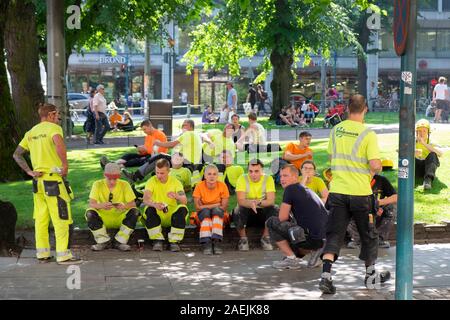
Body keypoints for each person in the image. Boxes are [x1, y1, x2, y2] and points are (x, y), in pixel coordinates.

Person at [319, 94, 391, 295]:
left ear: (347, 108)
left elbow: (332, 156)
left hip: (338, 192)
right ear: (365, 109)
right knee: (369, 235)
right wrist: (374, 169)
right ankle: (370, 276)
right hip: (360, 194)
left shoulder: (335, 130)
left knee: (334, 234)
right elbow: (375, 164)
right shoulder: (368, 134)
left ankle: (326, 276)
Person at [13, 103, 82, 265]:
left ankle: (42, 254)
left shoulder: (31, 133)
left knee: (41, 219)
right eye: (57, 114)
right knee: (61, 219)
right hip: (54, 182)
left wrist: (29, 172)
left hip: (38, 183)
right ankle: (63, 255)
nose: (58, 118)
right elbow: (59, 145)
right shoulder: (54, 129)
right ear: (50, 115)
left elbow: (17, 154)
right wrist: (65, 166)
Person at [267, 164, 328, 269]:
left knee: (271, 222)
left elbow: (282, 218)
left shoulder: (290, 189)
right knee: (295, 229)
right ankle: (315, 254)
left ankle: (291, 260)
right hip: (325, 238)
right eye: (280, 176)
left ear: (295, 177)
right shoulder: (306, 189)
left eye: (285, 176)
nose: (282, 179)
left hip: (312, 239)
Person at [85, 163, 140, 251]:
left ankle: (120, 241)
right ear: (104, 175)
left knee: (135, 211)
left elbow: (133, 204)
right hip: (103, 218)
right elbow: (91, 204)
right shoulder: (97, 184)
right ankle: (103, 241)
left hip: (120, 217)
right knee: (90, 213)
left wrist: (124, 206)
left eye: (115, 179)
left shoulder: (125, 184)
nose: (112, 182)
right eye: (109, 179)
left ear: (119, 176)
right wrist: (101, 205)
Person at [141, 159, 189, 252]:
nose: (159, 176)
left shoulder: (176, 182)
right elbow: (145, 199)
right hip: (156, 213)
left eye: (162, 173)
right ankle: (157, 240)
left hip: (171, 215)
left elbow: (184, 201)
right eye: (157, 172)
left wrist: (176, 196)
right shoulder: (151, 181)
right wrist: (154, 204)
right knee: (149, 209)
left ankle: (174, 242)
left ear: (169, 171)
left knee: (183, 208)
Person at [233, 159, 277, 251]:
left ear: (262, 171)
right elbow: (241, 200)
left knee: (275, 209)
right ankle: (243, 239)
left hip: (262, 212)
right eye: (250, 171)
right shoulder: (242, 178)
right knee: (237, 210)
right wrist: (250, 203)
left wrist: (258, 202)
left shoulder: (268, 179)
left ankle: (265, 238)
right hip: (247, 212)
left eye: (256, 171)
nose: (253, 174)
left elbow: (271, 201)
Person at [347, 174, 397, 249]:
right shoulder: (353, 180)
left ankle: (379, 239)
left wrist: (378, 204)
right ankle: (357, 240)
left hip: (378, 215)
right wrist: (371, 208)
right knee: (342, 208)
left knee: (392, 207)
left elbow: (395, 197)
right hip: (358, 214)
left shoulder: (381, 180)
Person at [100, 120, 168, 170]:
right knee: (129, 155)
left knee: (136, 161)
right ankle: (112, 164)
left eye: (145, 129)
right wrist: (141, 150)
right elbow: (146, 149)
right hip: (148, 154)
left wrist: (145, 149)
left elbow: (159, 152)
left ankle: (110, 166)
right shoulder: (148, 136)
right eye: (143, 130)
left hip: (157, 157)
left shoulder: (159, 135)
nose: (144, 131)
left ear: (150, 126)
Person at [193, 164, 230, 255]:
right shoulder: (199, 186)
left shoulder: (222, 186)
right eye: (209, 174)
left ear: (217, 176)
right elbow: (198, 207)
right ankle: (206, 243)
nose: (212, 176)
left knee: (216, 211)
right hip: (204, 213)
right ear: (205, 176)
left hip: (217, 212)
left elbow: (224, 207)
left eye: (214, 174)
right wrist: (216, 204)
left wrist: (205, 206)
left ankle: (216, 241)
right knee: (206, 213)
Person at [415, 119, 443, 190]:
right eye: (419, 131)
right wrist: (412, 151)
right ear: (416, 132)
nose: (422, 133)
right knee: (407, 154)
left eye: (424, 131)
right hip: (415, 168)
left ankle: (428, 181)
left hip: (428, 168)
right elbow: (398, 150)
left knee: (433, 154)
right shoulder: (412, 141)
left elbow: (440, 153)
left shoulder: (431, 142)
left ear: (428, 132)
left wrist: (424, 143)